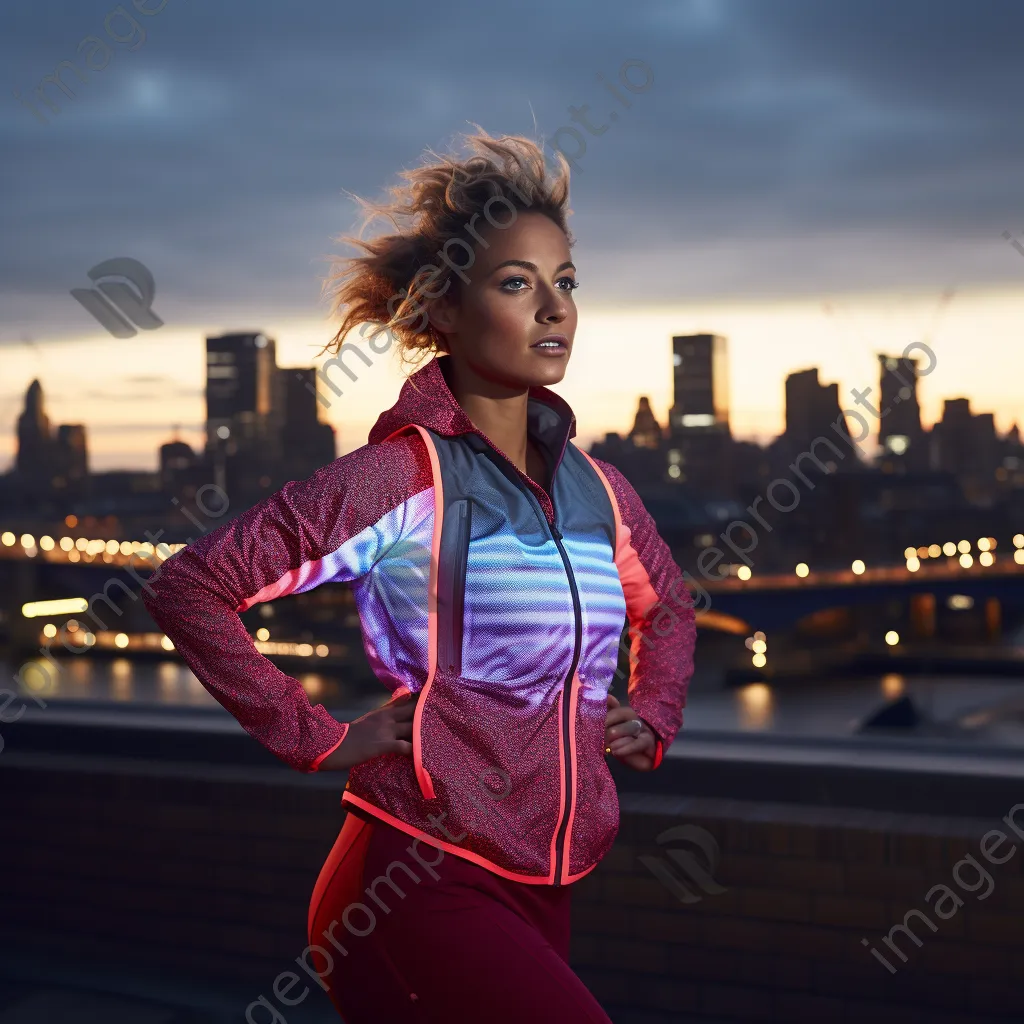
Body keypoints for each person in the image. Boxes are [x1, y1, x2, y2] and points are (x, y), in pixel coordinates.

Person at [143, 128, 696, 1022]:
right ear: (443, 309)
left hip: (543, 882)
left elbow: (666, 606)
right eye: (517, 283)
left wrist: (652, 713)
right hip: (410, 884)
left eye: (566, 282)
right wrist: (314, 734)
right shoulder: (402, 478)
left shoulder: (600, 490)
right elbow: (190, 587)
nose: (554, 308)